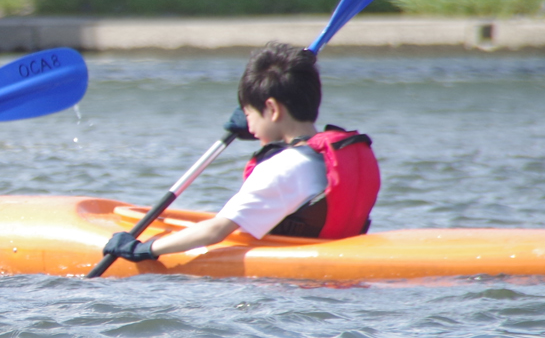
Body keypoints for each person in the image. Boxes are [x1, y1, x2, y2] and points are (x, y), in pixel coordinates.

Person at [102, 41, 380, 265]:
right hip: (335, 265)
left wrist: (145, 249)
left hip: (292, 289)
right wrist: (262, 126)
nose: (248, 124)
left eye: (249, 114)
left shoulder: (279, 168)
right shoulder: (330, 156)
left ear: (272, 109)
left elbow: (215, 231)